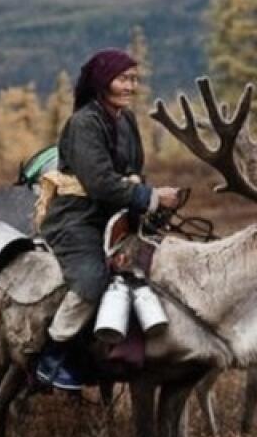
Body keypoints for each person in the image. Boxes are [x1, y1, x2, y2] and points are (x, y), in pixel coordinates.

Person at [36, 48, 181, 390]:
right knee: (91, 281)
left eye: (134, 79)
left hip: (117, 216)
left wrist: (149, 207)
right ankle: (52, 356)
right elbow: (99, 183)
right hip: (78, 218)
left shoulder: (125, 119)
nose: (131, 86)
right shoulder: (84, 123)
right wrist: (152, 197)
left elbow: (132, 171)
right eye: (123, 79)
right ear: (102, 83)